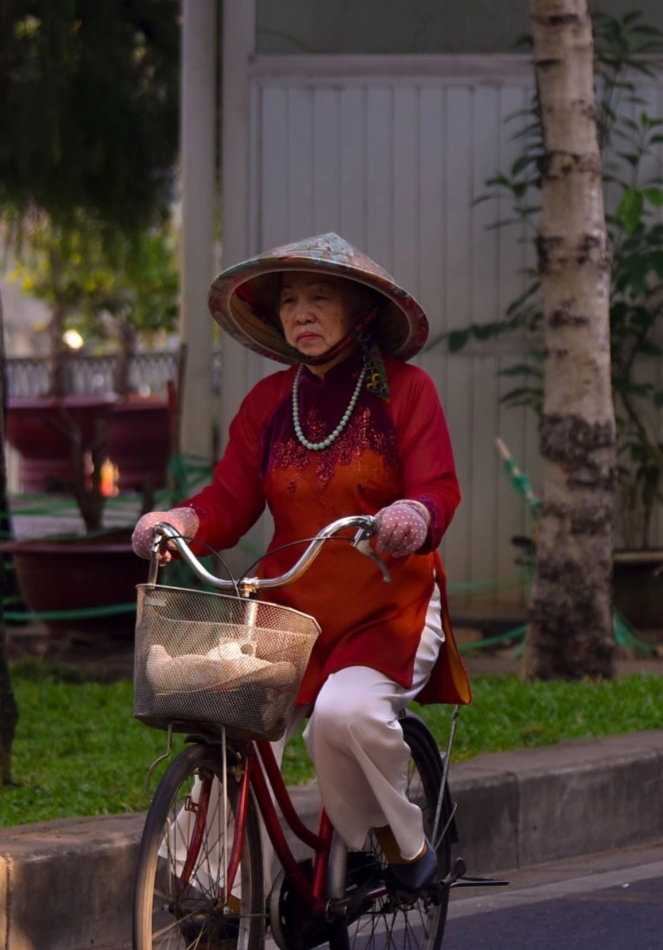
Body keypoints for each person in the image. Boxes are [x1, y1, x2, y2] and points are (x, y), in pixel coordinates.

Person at [133, 232, 471, 892]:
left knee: (344, 716)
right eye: (290, 301)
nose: (301, 314)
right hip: (292, 609)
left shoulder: (406, 391)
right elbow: (228, 500)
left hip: (388, 606)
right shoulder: (268, 403)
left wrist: (413, 517)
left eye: (320, 298)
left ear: (362, 312)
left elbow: (440, 489)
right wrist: (180, 522)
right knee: (227, 716)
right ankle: (216, 890)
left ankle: (398, 845)